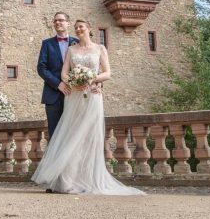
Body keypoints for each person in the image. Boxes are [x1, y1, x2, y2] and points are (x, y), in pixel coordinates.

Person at [31, 19, 145, 196]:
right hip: (74, 97)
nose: (78, 29)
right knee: (71, 136)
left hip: (92, 97)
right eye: (76, 27)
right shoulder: (71, 49)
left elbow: (107, 73)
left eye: (81, 27)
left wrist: (92, 80)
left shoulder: (100, 49)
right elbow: (63, 74)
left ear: (89, 29)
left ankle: (87, 180)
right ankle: (67, 182)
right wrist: (75, 82)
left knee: (88, 138)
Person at [36, 12, 78, 142]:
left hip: (75, 94)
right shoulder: (47, 44)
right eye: (55, 21)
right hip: (53, 95)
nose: (57, 23)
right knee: (55, 135)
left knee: (74, 133)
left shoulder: (77, 43)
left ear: (68, 23)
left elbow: (88, 67)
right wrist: (58, 84)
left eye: (60, 20)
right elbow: (41, 68)